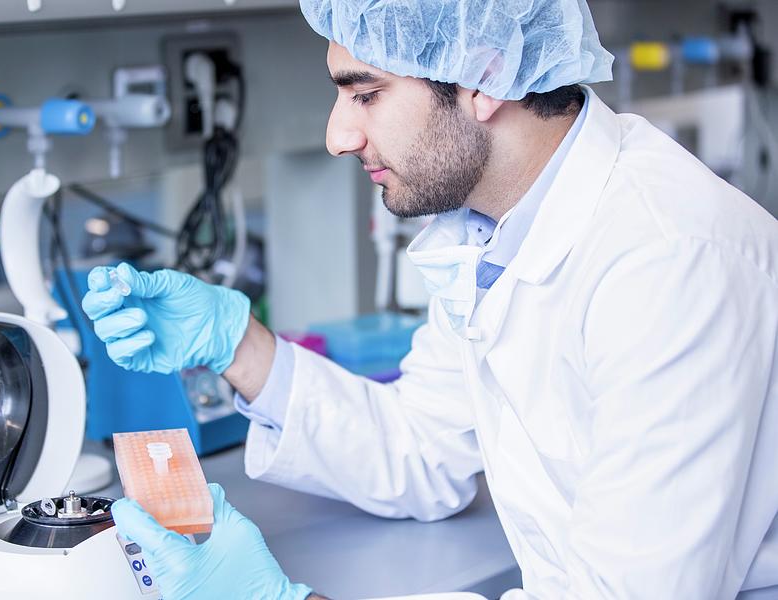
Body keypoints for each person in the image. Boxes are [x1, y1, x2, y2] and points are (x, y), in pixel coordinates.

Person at [82, 0, 778, 597]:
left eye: (366, 93)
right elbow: (422, 450)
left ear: (483, 75)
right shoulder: (495, 227)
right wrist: (241, 346)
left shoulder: (670, 258)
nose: (337, 136)